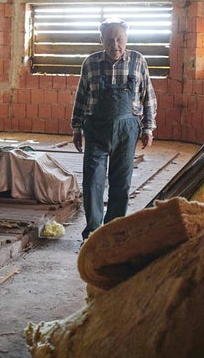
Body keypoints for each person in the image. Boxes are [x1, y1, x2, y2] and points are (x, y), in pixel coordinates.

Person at [71, 19, 157, 241]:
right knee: (92, 181)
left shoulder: (138, 61)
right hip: (95, 129)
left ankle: (113, 233)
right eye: (110, 39)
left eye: (119, 39)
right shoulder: (90, 63)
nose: (115, 44)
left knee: (121, 181)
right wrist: (76, 127)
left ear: (126, 39)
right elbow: (81, 97)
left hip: (127, 129)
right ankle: (92, 233)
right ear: (102, 40)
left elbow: (148, 96)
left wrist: (148, 127)